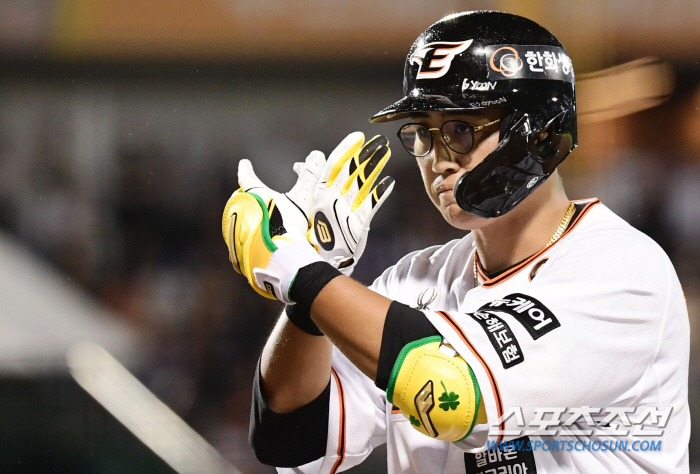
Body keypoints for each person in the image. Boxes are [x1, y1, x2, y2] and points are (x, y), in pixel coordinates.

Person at [224, 11, 690, 473]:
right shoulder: (414, 280)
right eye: (424, 133)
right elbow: (289, 439)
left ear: (541, 133)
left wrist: (303, 274)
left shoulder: (622, 268)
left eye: (461, 130)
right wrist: (309, 304)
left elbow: (456, 398)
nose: (437, 160)